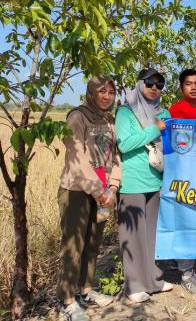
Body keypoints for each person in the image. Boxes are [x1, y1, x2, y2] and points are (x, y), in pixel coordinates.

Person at [57, 76, 120, 321]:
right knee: (74, 246)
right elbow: (77, 159)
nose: (106, 96)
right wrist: (99, 191)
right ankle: (67, 302)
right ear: (91, 93)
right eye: (101, 91)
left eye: (111, 91)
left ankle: (85, 290)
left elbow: (116, 157)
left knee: (93, 243)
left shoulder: (110, 121)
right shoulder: (77, 117)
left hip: (103, 193)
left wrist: (112, 188)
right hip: (77, 192)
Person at [115, 68, 174, 303]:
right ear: (140, 84)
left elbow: (172, 144)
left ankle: (154, 281)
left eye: (159, 85)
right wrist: (153, 129)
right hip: (132, 182)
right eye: (150, 83)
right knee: (132, 235)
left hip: (156, 180)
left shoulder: (164, 112)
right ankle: (134, 285)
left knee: (152, 236)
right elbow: (125, 143)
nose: (154, 88)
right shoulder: (126, 111)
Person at [168, 69, 196, 297]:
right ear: (181, 87)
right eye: (188, 84)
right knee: (185, 223)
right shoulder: (174, 111)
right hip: (182, 177)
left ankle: (185, 264)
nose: (193, 87)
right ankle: (186, 274)